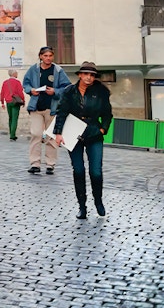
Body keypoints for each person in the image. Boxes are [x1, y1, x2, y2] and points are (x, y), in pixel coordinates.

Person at [54, 61, 113, 219]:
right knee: (78, 170)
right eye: (86, 74)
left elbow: (107, 114)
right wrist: (58, 133)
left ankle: (98, 201)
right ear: (79, 75)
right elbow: (61, 112)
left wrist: (102, 129)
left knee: (96, 171)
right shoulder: (69, 91)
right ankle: (82, 206)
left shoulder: (101, 92)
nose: (89, 77)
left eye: (92, 75)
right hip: (73, 132)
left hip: (94, 132)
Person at [22, 46, 71, 175]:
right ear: (40, 56)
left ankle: (50, 164)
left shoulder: (58, 70)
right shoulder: (33, 69)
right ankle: (35, 163)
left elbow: (67, 87)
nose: (48, 58)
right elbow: (25, 83)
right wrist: (30, 90)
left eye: (50, 56)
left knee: (51, 137)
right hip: (36, 107)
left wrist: (55, 91)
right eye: (45, 56)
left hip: (52, 108)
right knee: (36, 134)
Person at [0, 69, 25, 140]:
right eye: (16, 73)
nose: (17, 74)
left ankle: (11, 132)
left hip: (8, 102)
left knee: (10, 118)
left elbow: (2, 93)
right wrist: (23, 100)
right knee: (14, 118)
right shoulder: (17, 82)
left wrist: (2, 102)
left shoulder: (5, 82)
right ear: (14, 74)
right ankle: (12, 135)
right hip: (15, 102)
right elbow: (20, 92)